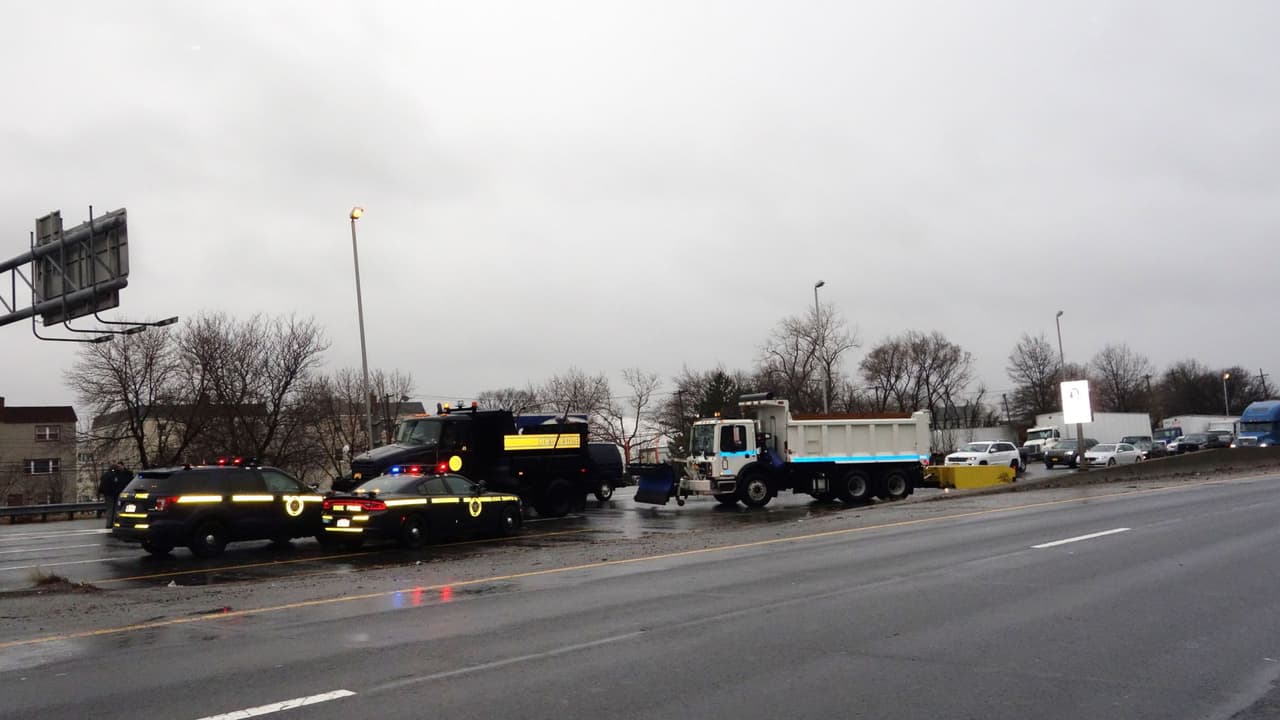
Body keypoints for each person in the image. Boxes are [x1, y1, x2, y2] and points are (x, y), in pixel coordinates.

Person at [98, 461, 132, 528]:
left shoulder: (106, 474)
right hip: (115, 494)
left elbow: (102, 485)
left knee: (110, 509)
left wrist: (102, 492)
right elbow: (120, 484)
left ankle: (109, 524)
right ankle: (113, 523)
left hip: (108, 494)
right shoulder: (118, 475)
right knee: (115, 509)